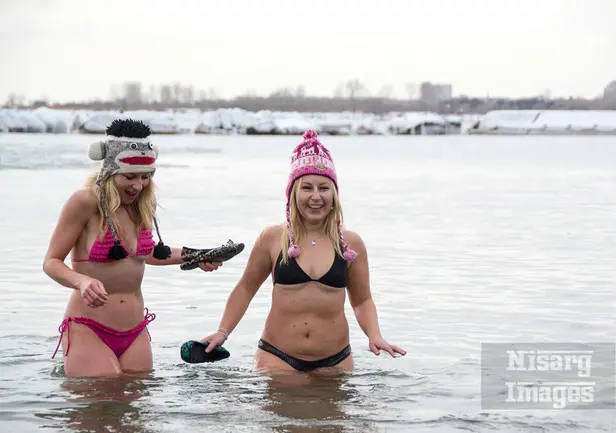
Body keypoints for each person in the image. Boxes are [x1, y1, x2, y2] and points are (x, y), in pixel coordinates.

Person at [201, 129, 406, 374]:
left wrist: (374, 334)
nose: (316, 197)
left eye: (324, 188)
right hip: (277, 357)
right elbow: (246, 288)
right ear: (293, 193)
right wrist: (223, 332)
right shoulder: (272, 238)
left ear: (335, 194)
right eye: (307, 188)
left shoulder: (351, 244)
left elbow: (362, 300)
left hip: (335, 360)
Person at [44, 118, 234, 378]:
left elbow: (148, 253)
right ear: (109, 171)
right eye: (130, 176)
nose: (138, 185)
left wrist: (197, 256)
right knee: (99, 403)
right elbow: (51, 262)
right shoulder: (85, 201)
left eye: (146, 177)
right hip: (88, 327)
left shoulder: (140, 204)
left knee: (137, 409)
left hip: (135, 332)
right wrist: (82, 282)